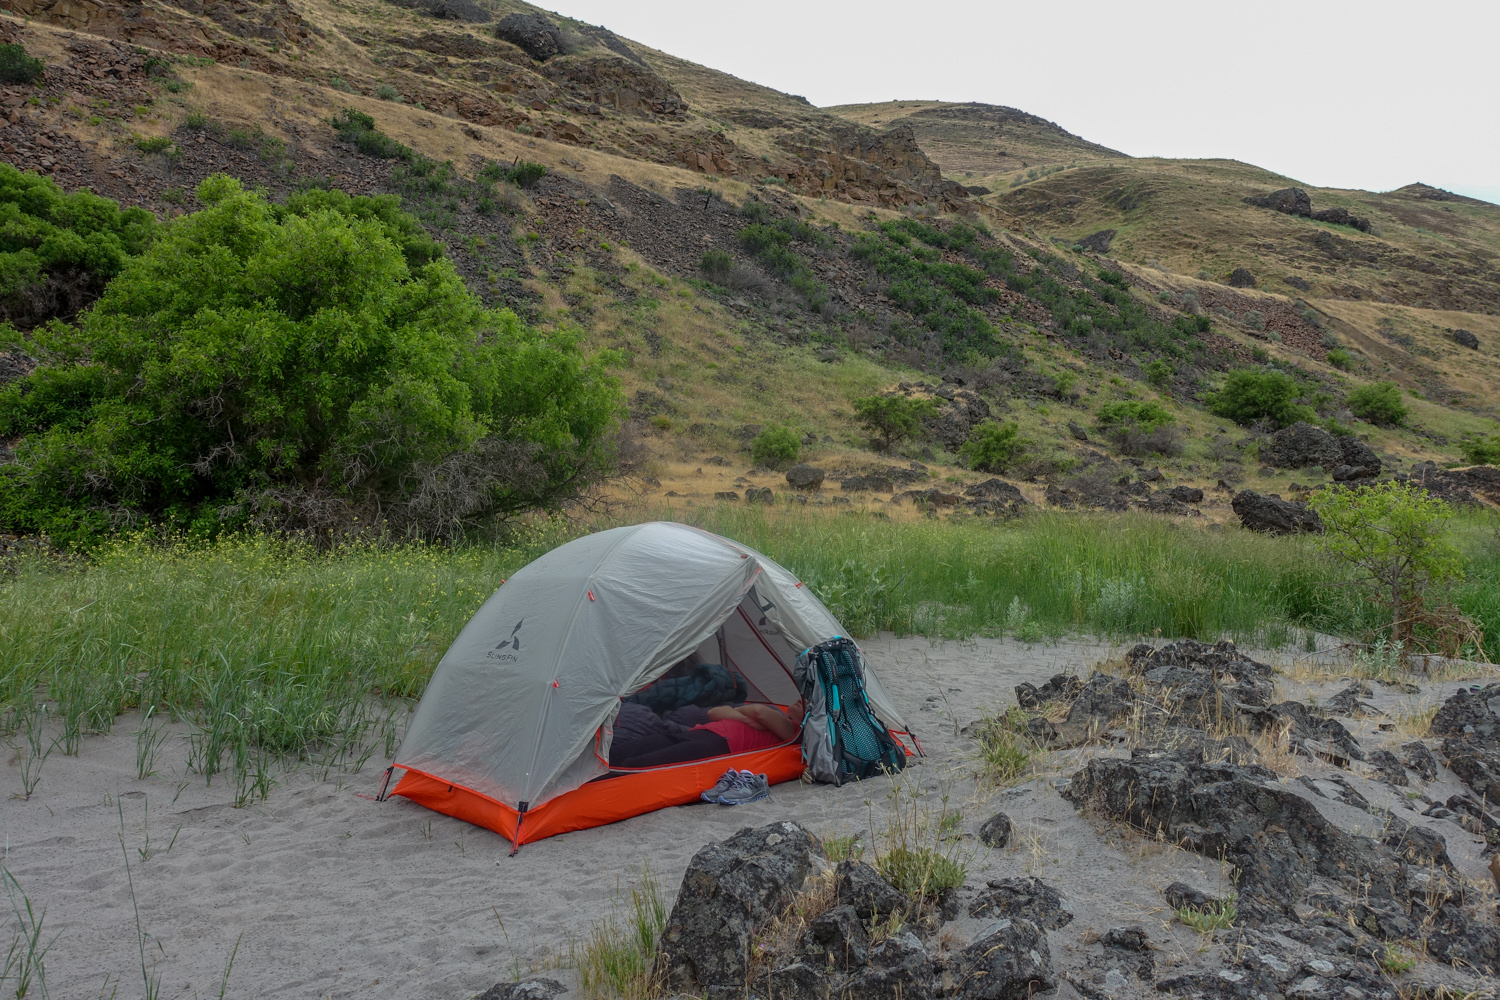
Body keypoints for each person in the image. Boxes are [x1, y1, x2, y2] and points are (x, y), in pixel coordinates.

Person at [609, 700, 803, 769]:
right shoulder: (774, 714)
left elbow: (758, 712)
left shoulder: (793, 731)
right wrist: (748, 720)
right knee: (629, 749)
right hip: (700, 732)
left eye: (806, 704)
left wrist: (749, 716)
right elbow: (715, 713)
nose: (799, 701)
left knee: (640, 763)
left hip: (718, 744)